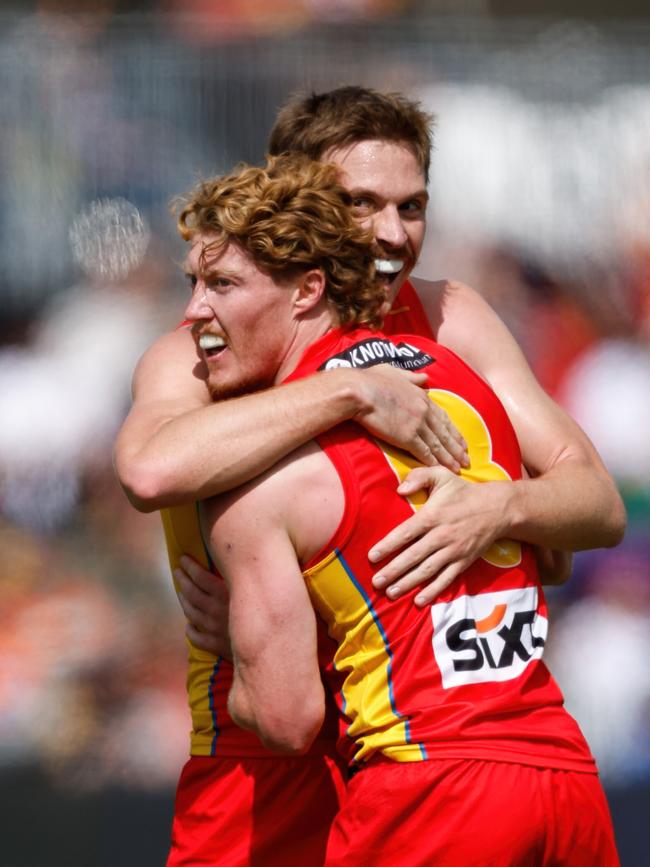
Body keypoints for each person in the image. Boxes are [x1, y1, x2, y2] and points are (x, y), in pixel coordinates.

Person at [113, 87, 625, 863]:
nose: (392, 234)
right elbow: (150, 468)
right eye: (360, 203)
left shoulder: (451, 321)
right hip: (272, 771)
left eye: (411, 206)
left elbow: (589, 508)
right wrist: (350, 390)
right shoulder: (211, 348)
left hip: (412, 754)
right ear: (296, 202)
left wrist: (498, 506)